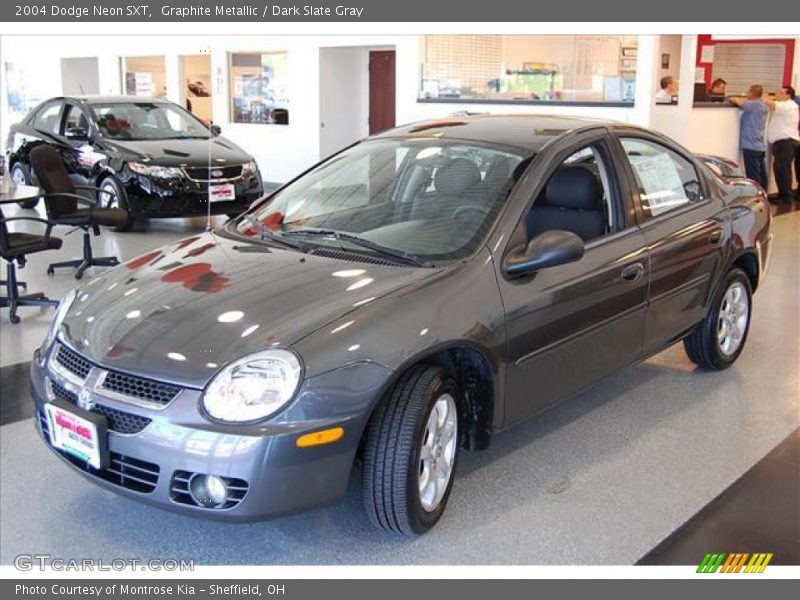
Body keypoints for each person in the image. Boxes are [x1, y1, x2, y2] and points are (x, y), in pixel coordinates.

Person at [731, 84, 769, 189]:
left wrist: (733, 98)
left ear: (752, 93)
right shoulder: (763, 105)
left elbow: (738, 101)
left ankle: (756, 196)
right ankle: (764, 194)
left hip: (751, 146)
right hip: (759, 146)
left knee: (753, 177)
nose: (746, 93)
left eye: (748, 91)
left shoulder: (753, 105)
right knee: (762, 175)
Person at [766, 86, 800, 203]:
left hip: (786, 142)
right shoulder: (787, 105)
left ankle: (785, 197)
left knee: (783, 170)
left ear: (788, 95)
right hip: (786, 142)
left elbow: (771, 104)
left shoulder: (788, 105)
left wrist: (761, 97)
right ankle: (783, 194)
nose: (778, 95)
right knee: (780, 169)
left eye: (781, 93)